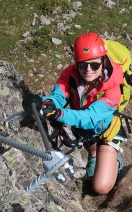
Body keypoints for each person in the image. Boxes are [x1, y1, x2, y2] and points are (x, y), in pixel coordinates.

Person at [39, 32, 124, 195]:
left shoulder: (113, 88)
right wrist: (50, 103)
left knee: (101, 187)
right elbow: (59, 95)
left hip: (106, 131)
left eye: (94, 65)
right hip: (83, 129)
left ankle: (115, 162)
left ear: (103, 61)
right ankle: (93, 155)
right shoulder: (70, 74)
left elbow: (90, 118)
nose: (88, 70)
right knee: (88, 142)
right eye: (82, 65)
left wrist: (59, 114)